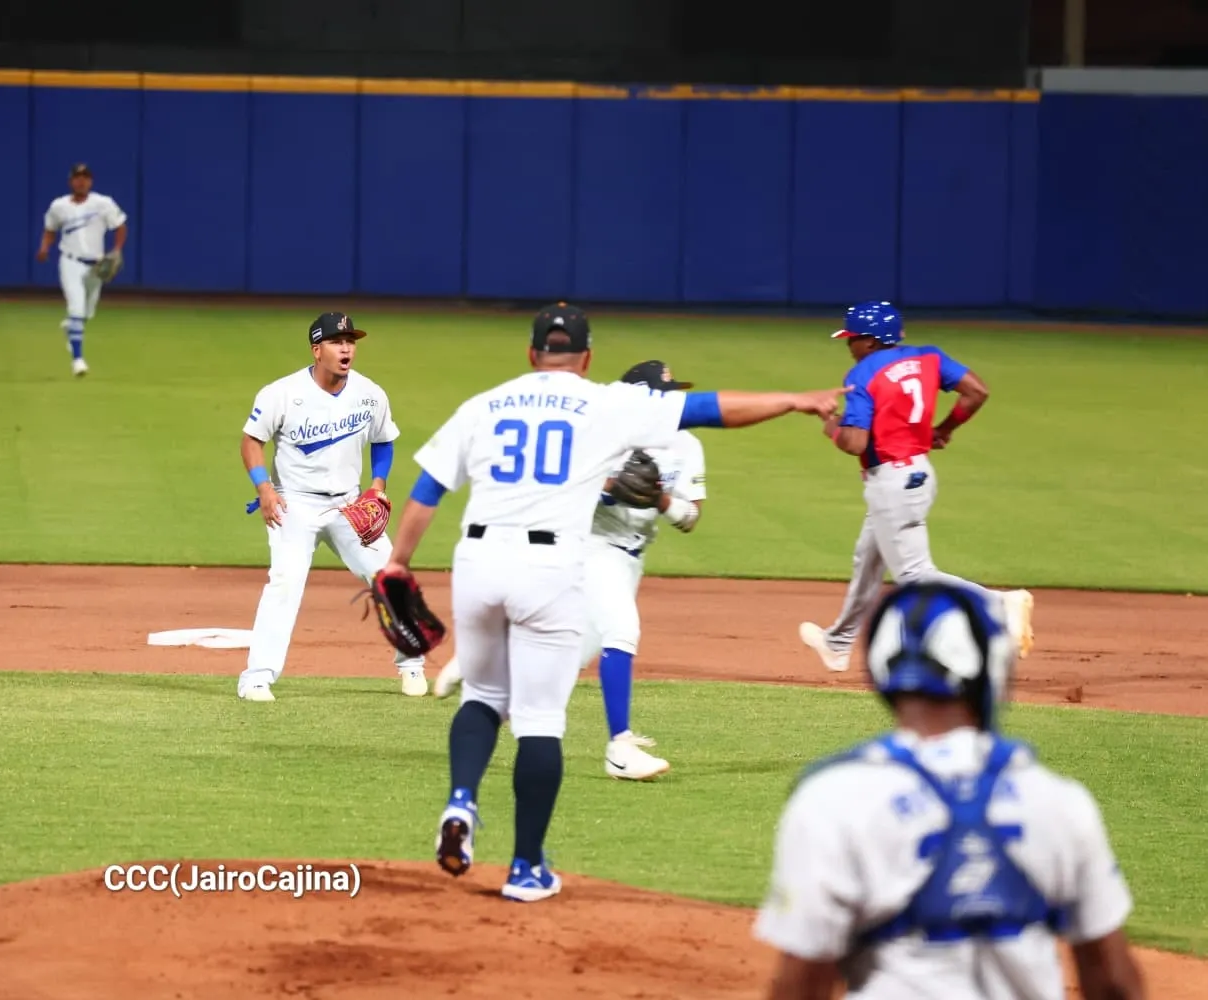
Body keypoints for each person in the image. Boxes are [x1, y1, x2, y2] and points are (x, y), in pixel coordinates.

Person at [380, 302, 846, 902]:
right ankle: (525, 869)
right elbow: (710, 409)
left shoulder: (485, 404)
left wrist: (397, 561)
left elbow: (428, 488)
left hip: (478, 561)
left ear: (530, 354)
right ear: (588, 357)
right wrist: (796, 399)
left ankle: (462, 803)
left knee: (484, 698)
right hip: (551, 569)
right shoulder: (607, 402)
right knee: (541, 723)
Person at [756, 580, 1145, 1000]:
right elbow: (1113, 982)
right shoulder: (1060, 802)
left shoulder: (832, 800)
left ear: (882, 671)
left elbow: (802, 984)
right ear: (989, 669)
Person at [433, 358, 707, 782]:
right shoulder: (602, 433)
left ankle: (483, 670)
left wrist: (662, 501)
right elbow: (556, 488)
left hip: (631, 559)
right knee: (622, 630)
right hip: (589, 547)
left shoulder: (687, 445)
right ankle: (621, 747)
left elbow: (691, 518)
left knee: (571, 655)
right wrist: (612, 490)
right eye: (661, 394)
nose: (670, 402)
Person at [798, 301, 1034, 674]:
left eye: (853, 339)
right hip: (917, 472)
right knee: (868, 559)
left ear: (872, 342)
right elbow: (977, 392)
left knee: (913, 574)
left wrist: (830, 425)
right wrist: (944, 429)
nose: (849, 346)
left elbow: (855, 443)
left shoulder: (863, 374)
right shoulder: (930, 357)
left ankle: (1000, 604)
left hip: (892, 481)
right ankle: (838, 643)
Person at [238, 311, 427, 702]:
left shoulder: (370, 393)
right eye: (338, 342)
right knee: (285, 583)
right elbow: (251, 441)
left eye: (351, 341)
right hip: (294, 504)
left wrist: (378, 484)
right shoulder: (282, 393)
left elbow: (384, 439)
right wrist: (264, 489)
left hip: (349, 503)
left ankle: (411, 666)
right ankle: (256, 678)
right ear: (317, 349)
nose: (347, 348)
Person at [36, 163, 128, 378]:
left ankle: (72, 326)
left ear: (91, 181)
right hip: (70, 262)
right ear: (71, 181)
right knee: (76, 307)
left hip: (96, 265)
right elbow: (50, 229)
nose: (81, 181)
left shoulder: (103, 203)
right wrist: (44, 247)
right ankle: (78, 360)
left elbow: (121, 225)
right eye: (77, 177)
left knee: (87, 313)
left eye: (85, 177)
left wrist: (116, 249)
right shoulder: (59, 206)